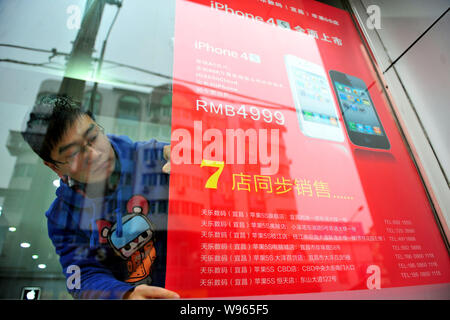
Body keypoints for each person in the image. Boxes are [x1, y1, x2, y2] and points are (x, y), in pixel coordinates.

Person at [21, 94, 179, 299]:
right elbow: (81, 276)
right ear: (53, 167)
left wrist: (195, 164)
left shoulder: (159, 159)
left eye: (93, 137)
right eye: (73, 154)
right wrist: (124, 295)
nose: (95, 155)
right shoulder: (63, 216)